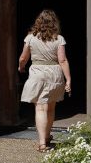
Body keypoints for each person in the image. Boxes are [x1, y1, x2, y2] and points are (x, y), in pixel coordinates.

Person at [18, 9, 72, 152]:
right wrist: (68, 79)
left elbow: (23, 58)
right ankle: (47, 136)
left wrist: (21, 67)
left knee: (40, 108)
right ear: (54, 23)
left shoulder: (30, 38)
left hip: (38, 73)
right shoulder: (58, 39)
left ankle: (42, 143)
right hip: (54, 73)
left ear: (38, 22)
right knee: (51, 108)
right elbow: (63, 60)